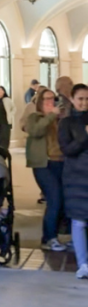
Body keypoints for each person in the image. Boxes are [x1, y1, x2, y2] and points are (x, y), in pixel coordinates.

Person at [25, 87, 66, 252]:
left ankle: (56, 235)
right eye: (46, 99)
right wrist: (51, 115)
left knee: (62, 200)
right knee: (54, 198)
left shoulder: (59, 119)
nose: (50, 102)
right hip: (43, 165)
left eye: (53, 99)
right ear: (40, 102)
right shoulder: (34, 117)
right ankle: (48, 237)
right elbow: (36, 131)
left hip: (61, 163)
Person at [58, 84, 88, 279]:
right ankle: (83, 263)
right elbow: (67, 149)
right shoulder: (66, 123)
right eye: (80, 99)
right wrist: (85, 136)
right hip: (76, 178)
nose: (84, 103)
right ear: (72, 99)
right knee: (78, 222)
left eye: (87, 99)